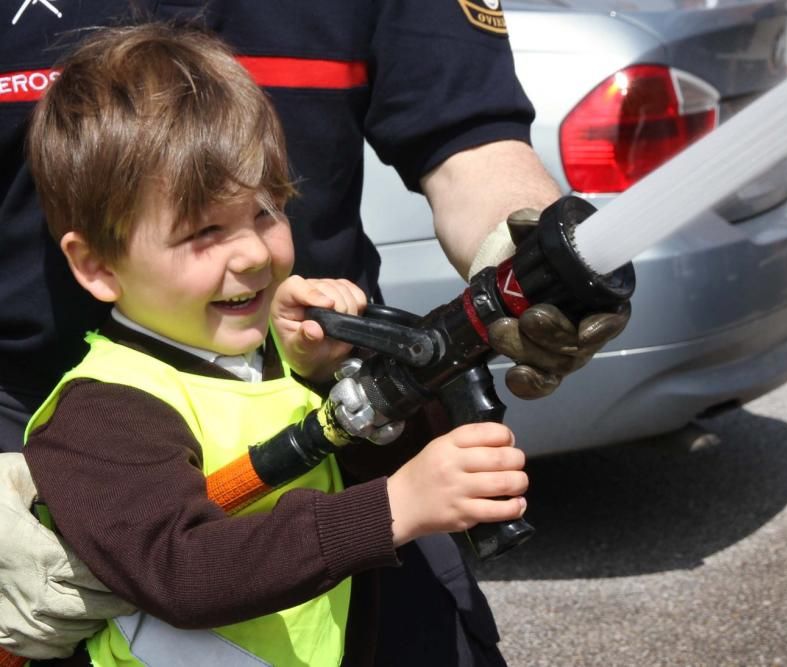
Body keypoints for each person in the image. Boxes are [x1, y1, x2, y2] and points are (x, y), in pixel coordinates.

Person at [0, 2, 628, 664]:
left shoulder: (287, 362)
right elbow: (185, 571)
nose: (251, 254)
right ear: (95, 264)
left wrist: (349, 382)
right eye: (204, 230)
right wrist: (394, 507)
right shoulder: (101, 414)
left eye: (269, 209)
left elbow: (469, 130)